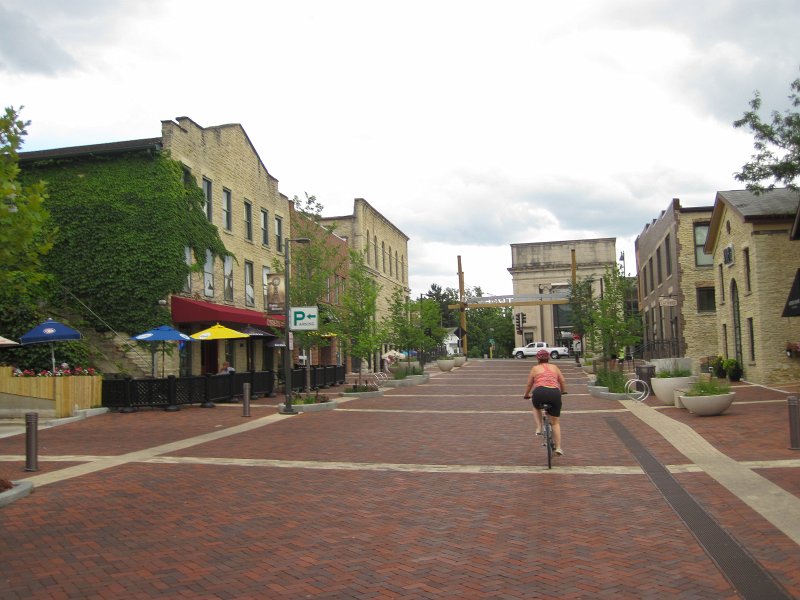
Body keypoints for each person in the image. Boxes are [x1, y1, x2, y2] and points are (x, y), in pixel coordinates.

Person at [523, 348, 567, 456]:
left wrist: (526, 395)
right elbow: (562, 380)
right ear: (549, 358)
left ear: (537, 359)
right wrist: (563, 391)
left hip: (540, 392)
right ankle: (558, 447)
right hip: (554, 393)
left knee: (536, 406)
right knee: (555, 422)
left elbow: (529, 384)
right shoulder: (555, 367)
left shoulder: (535, 368)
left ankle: (539, 427)